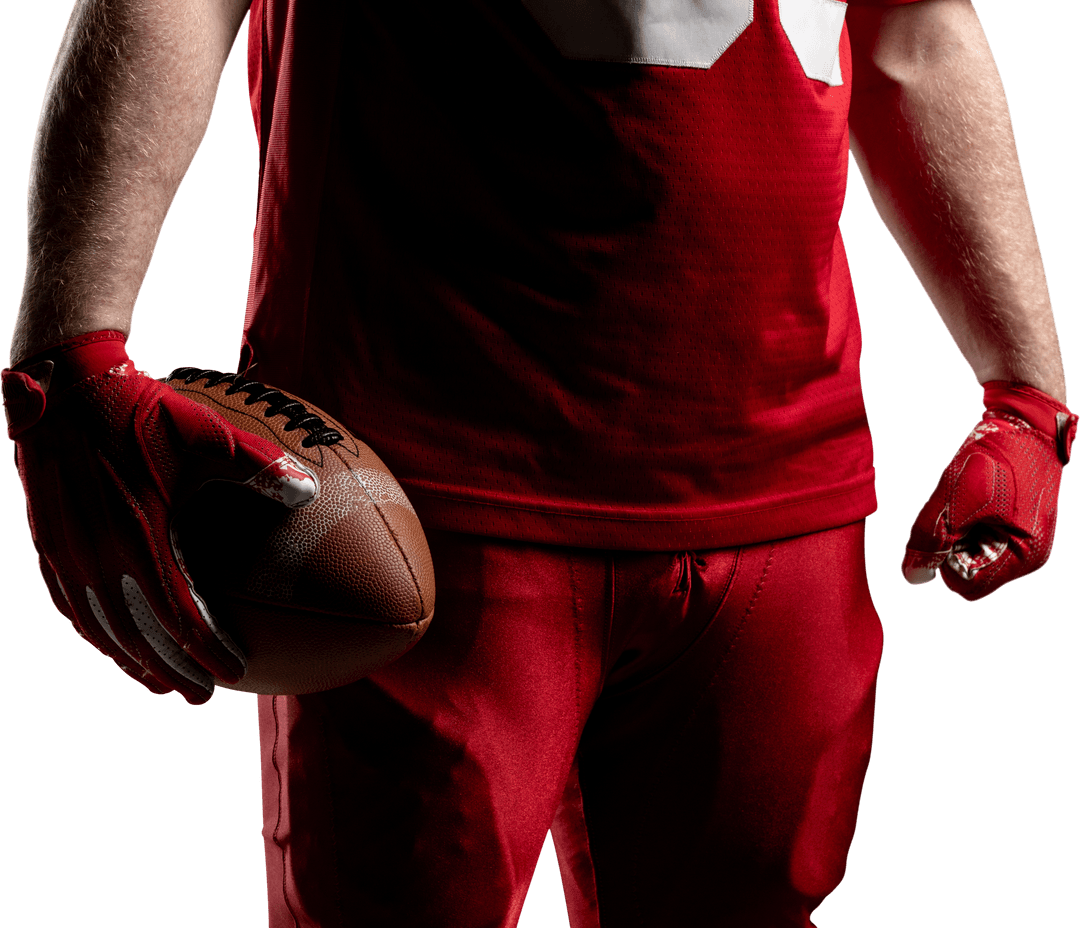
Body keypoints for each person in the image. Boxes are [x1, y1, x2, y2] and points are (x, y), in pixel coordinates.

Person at [3, 0, 1074, 926]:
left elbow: (916, 31)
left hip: (783, 495)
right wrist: (72, 347)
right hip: (432, 492)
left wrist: (1028, 391)